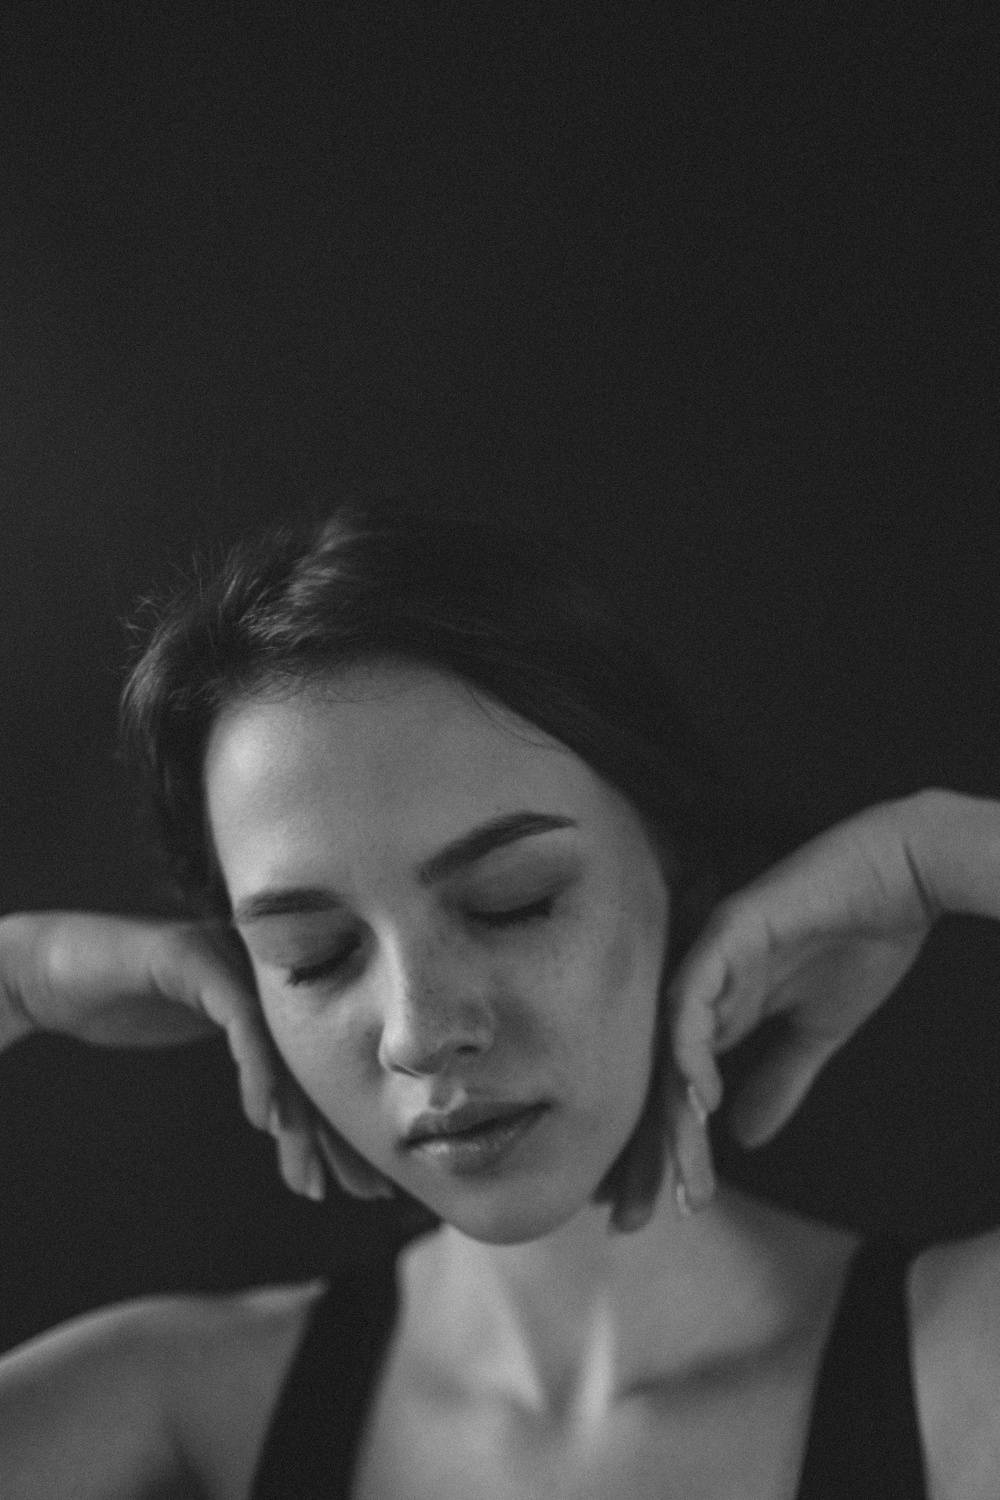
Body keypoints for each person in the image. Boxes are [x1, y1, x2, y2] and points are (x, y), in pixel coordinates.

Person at [0, 496, 998, 1498]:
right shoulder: (180, 1403)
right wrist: (17, 979)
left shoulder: (961, 1364)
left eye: (512, 903)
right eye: (314, 956)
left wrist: (932, 853)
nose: (420, 1032)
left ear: (670, 858)